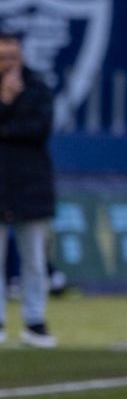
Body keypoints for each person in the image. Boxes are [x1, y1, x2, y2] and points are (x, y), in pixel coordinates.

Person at [0, 32, 56, 348]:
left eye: (13, 56)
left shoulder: (37, 88)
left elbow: (39, 129)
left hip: (30, 185)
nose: (9, 63)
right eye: (3, 56)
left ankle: (35, 322)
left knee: (34, 258)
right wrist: (5, 103)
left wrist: (6, 127)